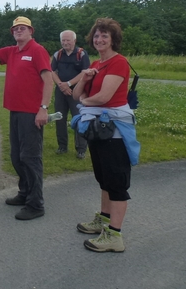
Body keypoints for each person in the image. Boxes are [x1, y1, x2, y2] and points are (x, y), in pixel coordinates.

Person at [0, 17, 52, 221]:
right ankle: (24, 193)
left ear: (31, 31)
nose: (18, 31)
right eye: (15, 29)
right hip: (15, 111)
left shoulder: (37, 50)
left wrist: (43, 109)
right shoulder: (11, 51)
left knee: (30, 158)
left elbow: (48, 80)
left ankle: (36, 204)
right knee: (17, 157)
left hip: (32, 113)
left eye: (22, 28)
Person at [72, 18, 139, 253]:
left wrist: (84, 103)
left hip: (115, 132)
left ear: (113, 40)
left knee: (117, 182)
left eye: (105, 36)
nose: (99, 40)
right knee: (104, 178)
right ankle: (103, 219)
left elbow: (104, 97)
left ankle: (115, 236)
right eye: (97, 36)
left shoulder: (119, 63)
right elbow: (76, 94)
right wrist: (86, 79)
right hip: (98, 128)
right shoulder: (97, 65)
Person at [51, 30, 90, 158]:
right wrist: (61, 85)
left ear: (74, 41)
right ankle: (62, 147)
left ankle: (81, 149)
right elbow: (52, 72)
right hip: (61, 90)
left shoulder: (81, 54)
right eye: (63, 40)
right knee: (59, 118)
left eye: (68, 40)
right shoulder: (58, 55)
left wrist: (68, 84)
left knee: (78, 119)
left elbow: (85, 73)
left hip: (77, 91)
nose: (65, 42)